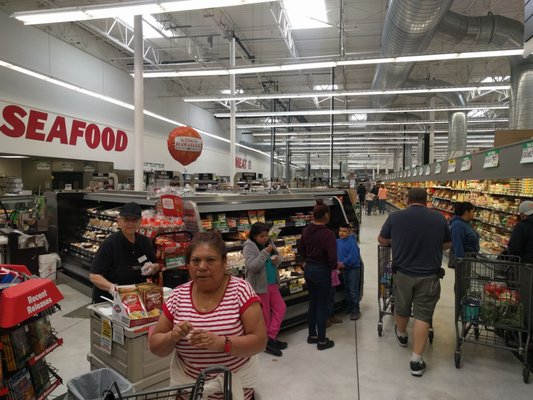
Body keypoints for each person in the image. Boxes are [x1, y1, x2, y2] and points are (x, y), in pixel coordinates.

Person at [149, 232, 266, 400]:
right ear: (188, 265)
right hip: (189, 394)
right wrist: (172, 336)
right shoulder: (177, 296)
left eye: (210, 260)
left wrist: (220, 343)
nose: (202, 267)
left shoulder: (241, 291)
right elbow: (155, 346)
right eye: (196, 260)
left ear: (224, 262)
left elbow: (259, 342)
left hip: (233, 394)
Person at [377, 188, 451, 377]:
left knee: (402, 305)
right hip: (429, 276)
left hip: (403, 273)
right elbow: (446, 245)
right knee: (423, 315)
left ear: (408, 200)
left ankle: (402, 335)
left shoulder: (396, 217)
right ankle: (416, 361)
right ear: (426, 201)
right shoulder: (439, 218)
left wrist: (399, 241)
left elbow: (382, 240)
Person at [90, 202, 160, 303]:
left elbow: (156, 264)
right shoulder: (109, 244)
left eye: (134, 220)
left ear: (140, 222)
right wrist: (113, 288)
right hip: (109, 300)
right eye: (126, 219)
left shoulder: (145, 242)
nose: (130, 224)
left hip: (136, 298)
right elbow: (94, 276)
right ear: (119, 221)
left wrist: (153, 267)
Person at [297, 199, 337, 350]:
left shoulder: (306, 230)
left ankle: (312, 335)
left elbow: (300, 250)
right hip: (322, 270)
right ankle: (322, 341)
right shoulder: (328, 234)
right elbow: (332, 257)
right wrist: (334, 267)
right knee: (322, 306)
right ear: (326, 215)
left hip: (309, 269)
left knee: (312, 303)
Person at [243, 222, 287, 357]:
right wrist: (265, 253)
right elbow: (252, 266)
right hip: (260, 287)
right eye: (261, 236)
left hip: (273, 283)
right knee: (265, 315)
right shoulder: (249, 247)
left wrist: (276, 259)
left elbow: (279, 258)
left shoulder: (269, 242)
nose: (264, 238)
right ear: (254, 236)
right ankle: (269, 341)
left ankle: (271, 337)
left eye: (266, 235)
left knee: (281, 308)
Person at [337, 223, 362, 320]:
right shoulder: (338, 241)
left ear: (350, 232)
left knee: (353, 290)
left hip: (353, 269)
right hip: (344, 269)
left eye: (344, 231)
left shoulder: (351, 242)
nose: (341, 233)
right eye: (340, 231)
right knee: (347, 289)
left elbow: (353, 257)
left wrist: (343, 263)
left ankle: (356, 310)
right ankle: (349, 307)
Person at [449, 201, 479, 268]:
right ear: (466, 212)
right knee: (463, 277)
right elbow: (457, 245)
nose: (474, 213)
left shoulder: (466, 223)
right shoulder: (458, 225)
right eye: (473, 211)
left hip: (467, 258)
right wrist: (461, 262)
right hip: (462, 260)